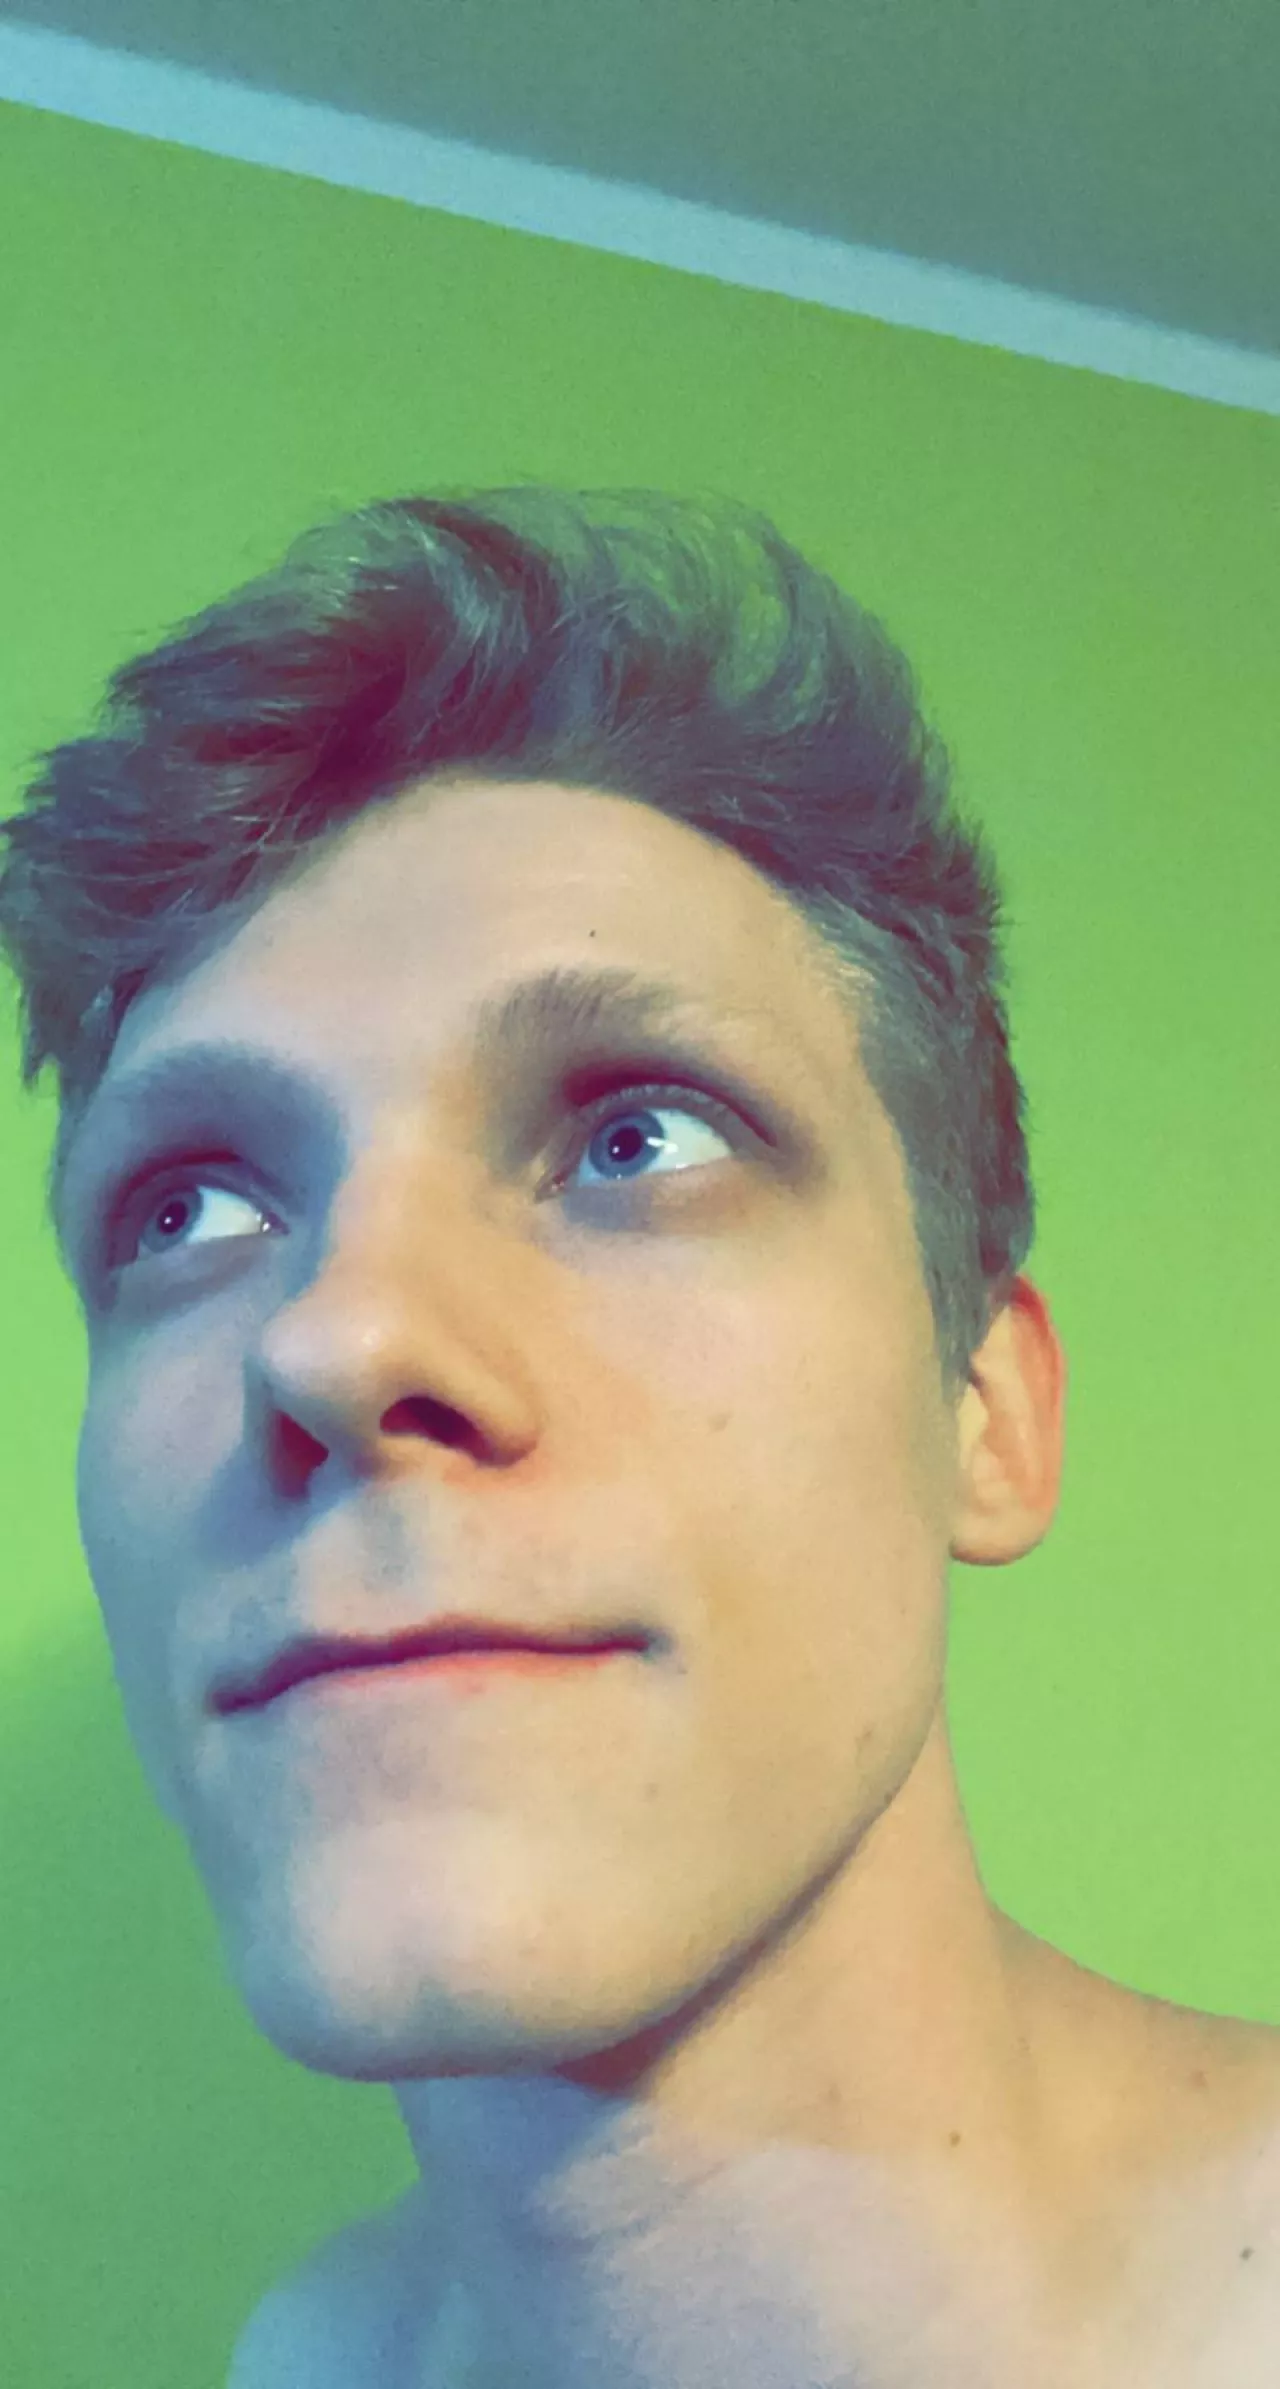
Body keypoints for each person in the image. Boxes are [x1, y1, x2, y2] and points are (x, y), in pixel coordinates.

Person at [2, 489, 1276, 2387]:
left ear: (985, 1414)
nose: (339, 1337)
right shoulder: (312, 2358)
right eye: (190, 1208)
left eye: (636, 1138)